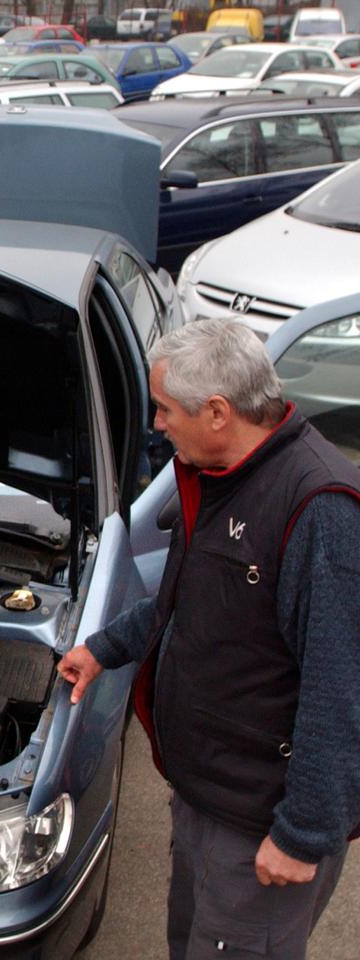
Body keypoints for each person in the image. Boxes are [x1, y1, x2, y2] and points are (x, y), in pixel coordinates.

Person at [57, 318, 360, 960]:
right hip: (205, 795)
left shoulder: (320, 510)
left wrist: (303, 833)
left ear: (218, 411)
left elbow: (342, 690)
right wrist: (103, 648)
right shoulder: (219, 475)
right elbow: (185, 604)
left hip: (261, 825)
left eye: (165, 410)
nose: (157, 424)